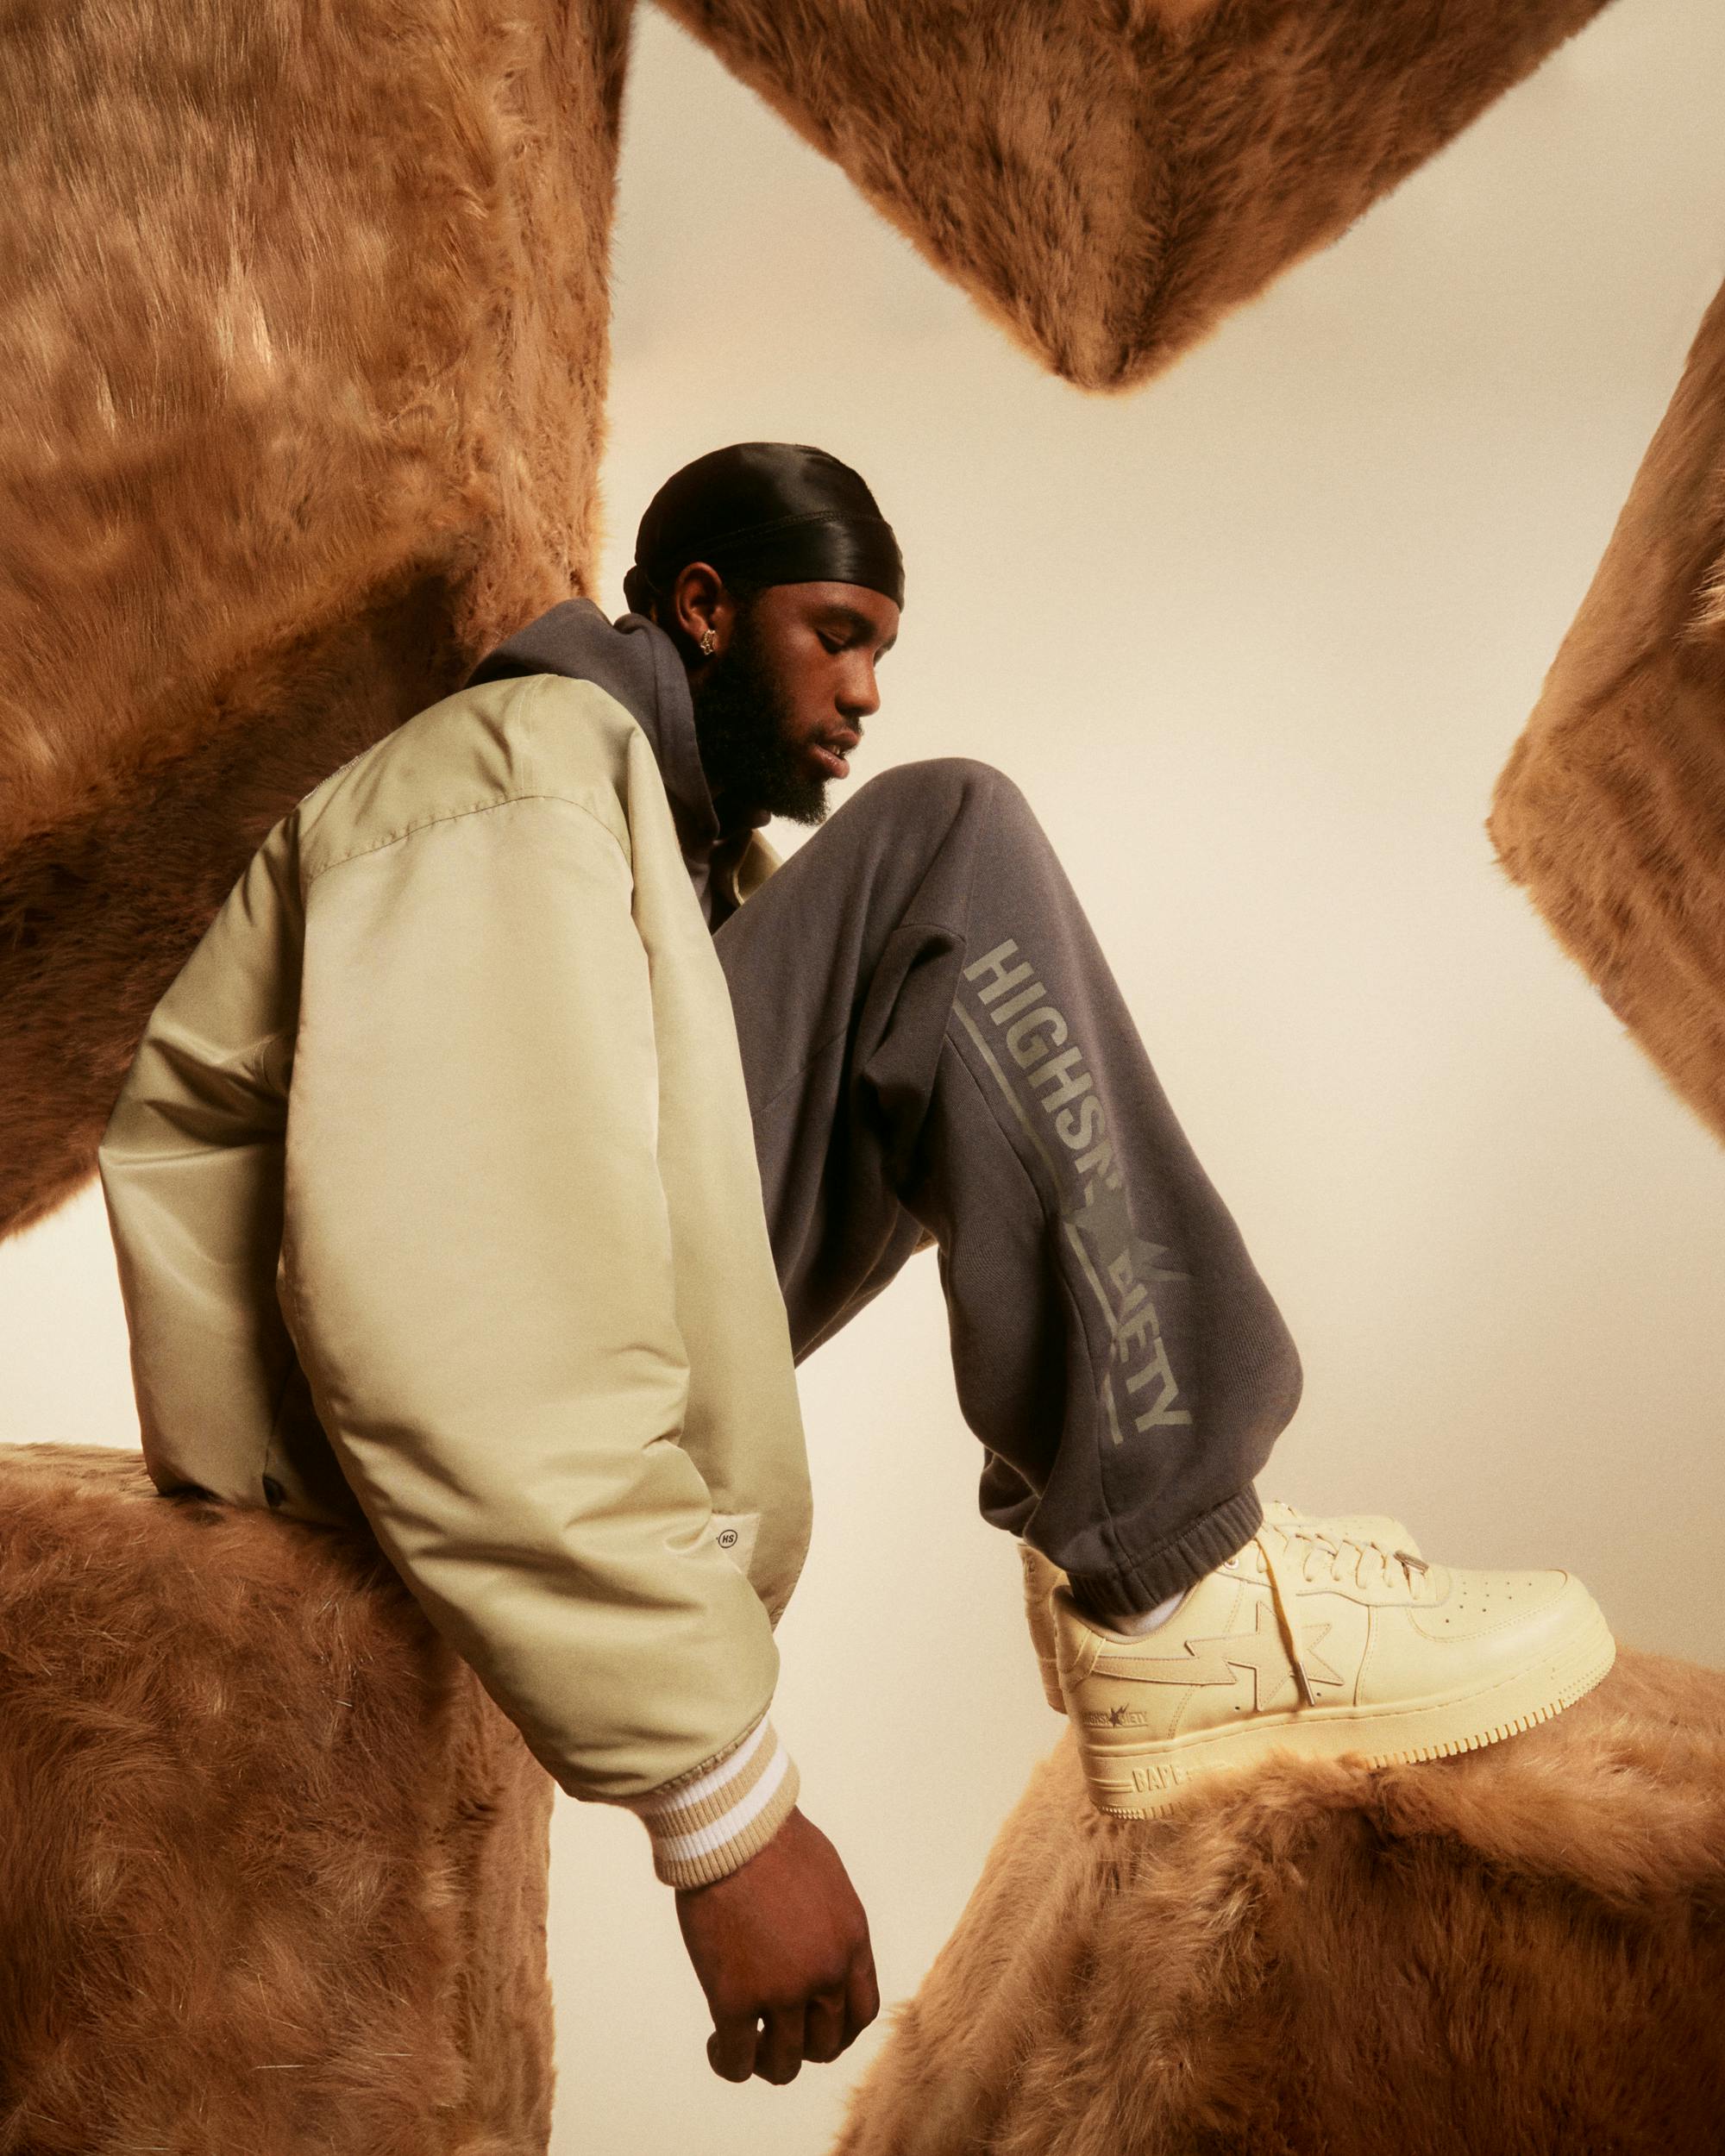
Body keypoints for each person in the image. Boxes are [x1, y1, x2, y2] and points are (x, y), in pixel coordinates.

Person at [97, 442, 1615, 2093]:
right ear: (703, 607)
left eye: (883, 649)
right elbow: (471, 1309)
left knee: (925, 951)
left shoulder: (675, 861)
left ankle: (1144, 1538)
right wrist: (722, 1806)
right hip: (327, 1446)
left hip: (412, 1388)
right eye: (836, 635)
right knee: (950, 844)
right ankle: (1179, 1587)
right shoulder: (516, 777)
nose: (867, 690)